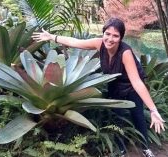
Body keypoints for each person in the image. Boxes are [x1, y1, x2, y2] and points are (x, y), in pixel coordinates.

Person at [32, 17, 165, 157]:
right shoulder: (99, 43)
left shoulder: (125, 53)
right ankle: (121, 151)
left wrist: (153, 109)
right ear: (103, 33)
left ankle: (145, 148)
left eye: (115, 35)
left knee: (138, 117)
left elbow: (137, 82)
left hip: (132, 88)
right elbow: (76, 42)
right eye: (107, 34)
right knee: (116, 119)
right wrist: (52, 37)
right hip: (115, 86)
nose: (110, 39)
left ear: (121, 37)